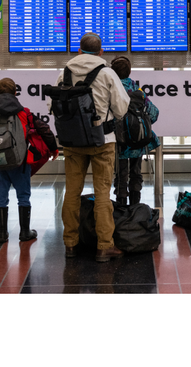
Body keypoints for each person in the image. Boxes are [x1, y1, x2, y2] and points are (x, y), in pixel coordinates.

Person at [55, 32, 130, 262]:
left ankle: (70, 244)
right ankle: (104, 246)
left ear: (79, 50)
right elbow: (121, 107)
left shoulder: (64, 72)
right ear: (101, 52)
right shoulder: (107, 73)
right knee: (102, 194)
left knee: (72, 192)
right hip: (103, 141)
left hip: (72, 143)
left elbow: (53, 104)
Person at [0, 77, 58, 244]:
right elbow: (44, 129)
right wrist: (53, 148)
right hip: (20, 161)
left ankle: (2, 234)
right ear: (15, 93)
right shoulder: (24, 112)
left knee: (1, 193)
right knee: (23, 195)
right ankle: (24, 232)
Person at [110, 56, 161, 207]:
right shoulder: (138, 91)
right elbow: (154, 113)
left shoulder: (111, 90)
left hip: (119, 143)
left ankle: (121, 207)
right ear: (130, 71)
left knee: (121, 174)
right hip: (137, 142)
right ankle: (134, 207)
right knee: (136, 173)